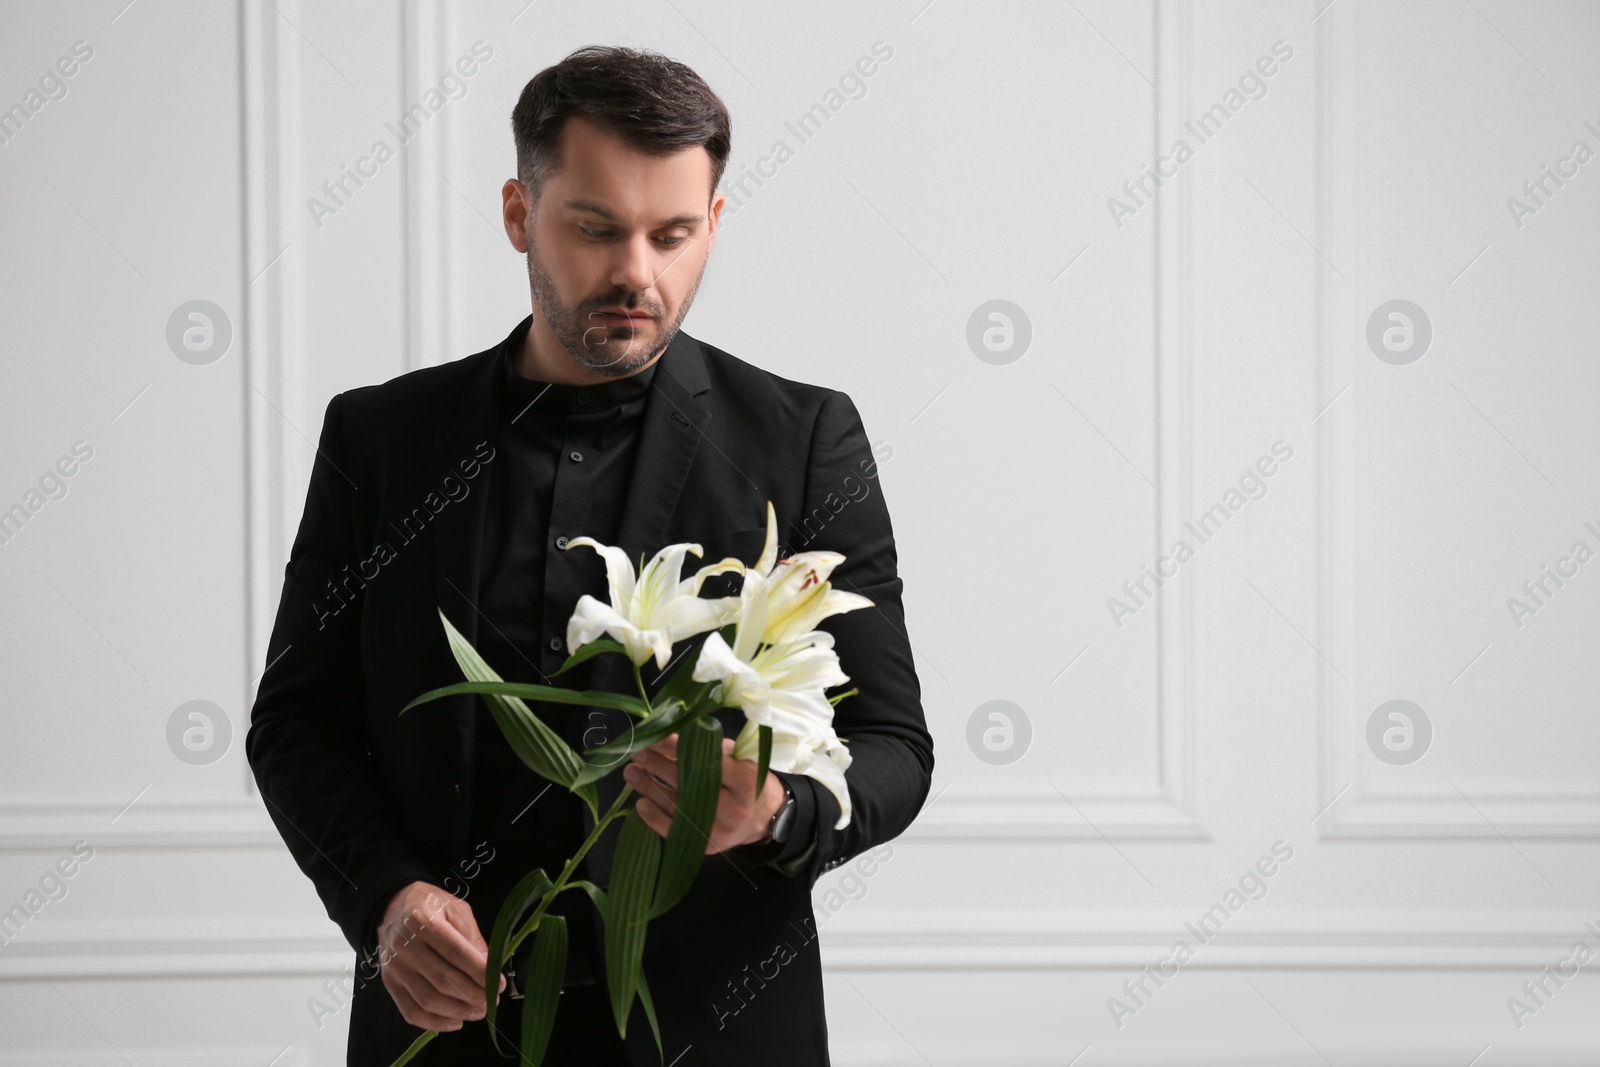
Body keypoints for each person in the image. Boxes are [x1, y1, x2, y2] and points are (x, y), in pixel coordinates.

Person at [246, 45, 933, 1066]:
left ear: (714, 222)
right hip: (443, 1023)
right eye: (596, 228)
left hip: (715, 1028)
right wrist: (386, 898)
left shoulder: (803, 437)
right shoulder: (379, 438)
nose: (636, 274)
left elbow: (892, 743)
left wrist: (775, 811)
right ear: (521, 213)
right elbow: (298, 720)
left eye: (675, 233)